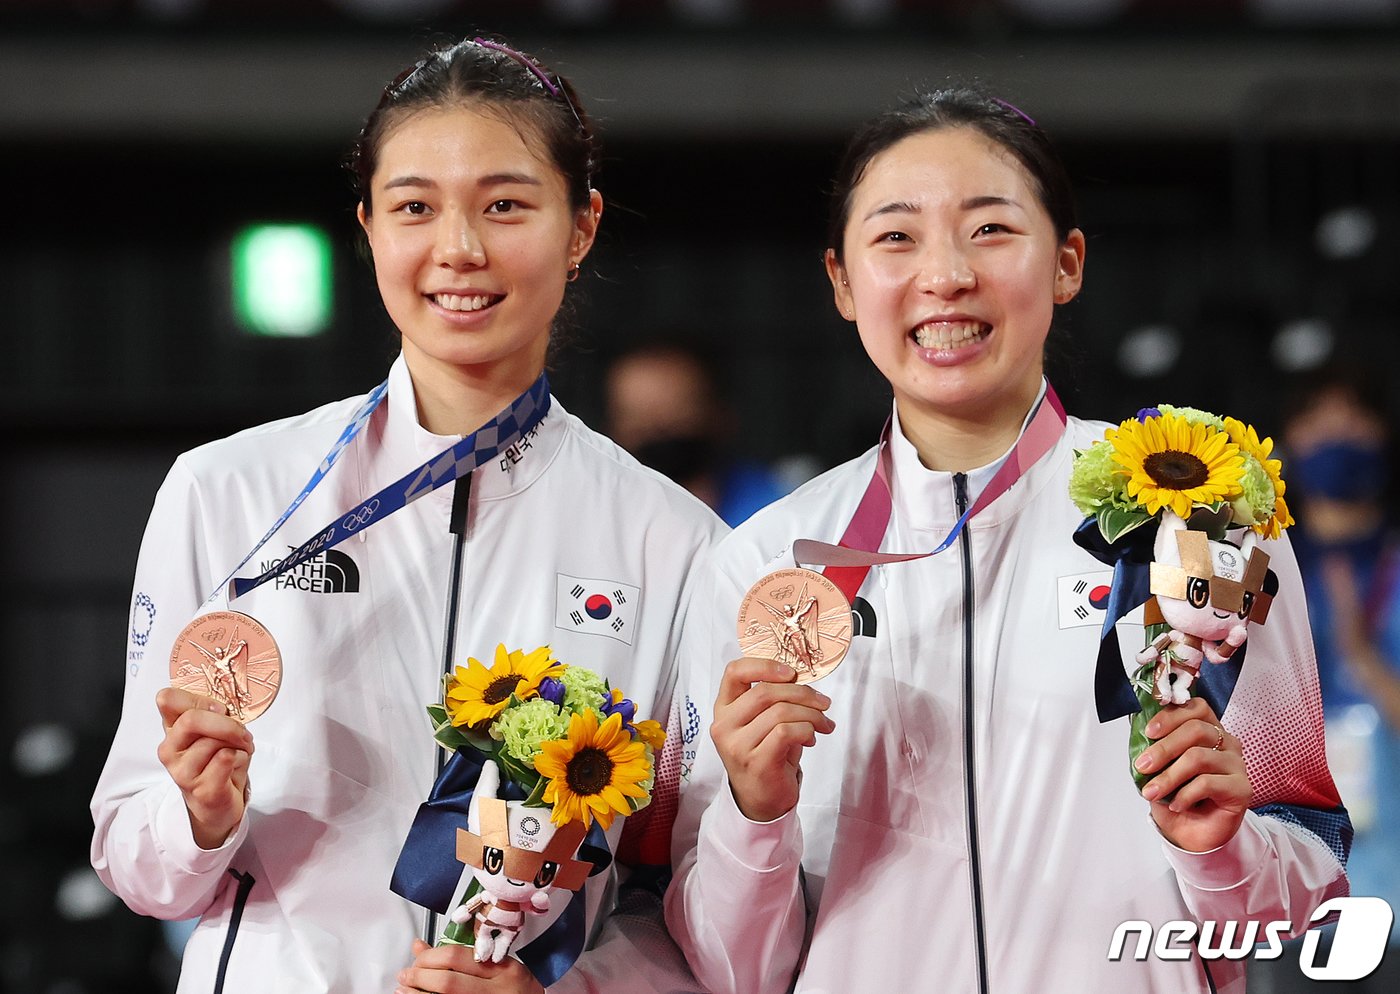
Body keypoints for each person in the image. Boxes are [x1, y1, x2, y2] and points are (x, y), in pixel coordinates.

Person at [664, 88, 1350, 994]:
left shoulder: (1206, 510)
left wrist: (1224, 848)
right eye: (896, 237)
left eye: (990, 229)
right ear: (841, 282)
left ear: (1067, 263)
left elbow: (1306, 897)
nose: (945, 274)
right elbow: (726, 971)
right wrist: (754, 815)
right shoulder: (764, 565)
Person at [90, 37, 723, 994]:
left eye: (505, 205)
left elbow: (675, 898)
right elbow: (136, 864)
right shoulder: (230, 491)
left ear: (581, 226)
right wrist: (196, 816)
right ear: (370, 228)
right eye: (415, 208)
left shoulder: (671, 541)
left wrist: (573, 993)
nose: (459, 249)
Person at [603, 342, 793, 526]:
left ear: (720, 415)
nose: (658, 429)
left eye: (676, 412)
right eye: (638, 418)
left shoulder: (773, 511)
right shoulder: (602, 517)